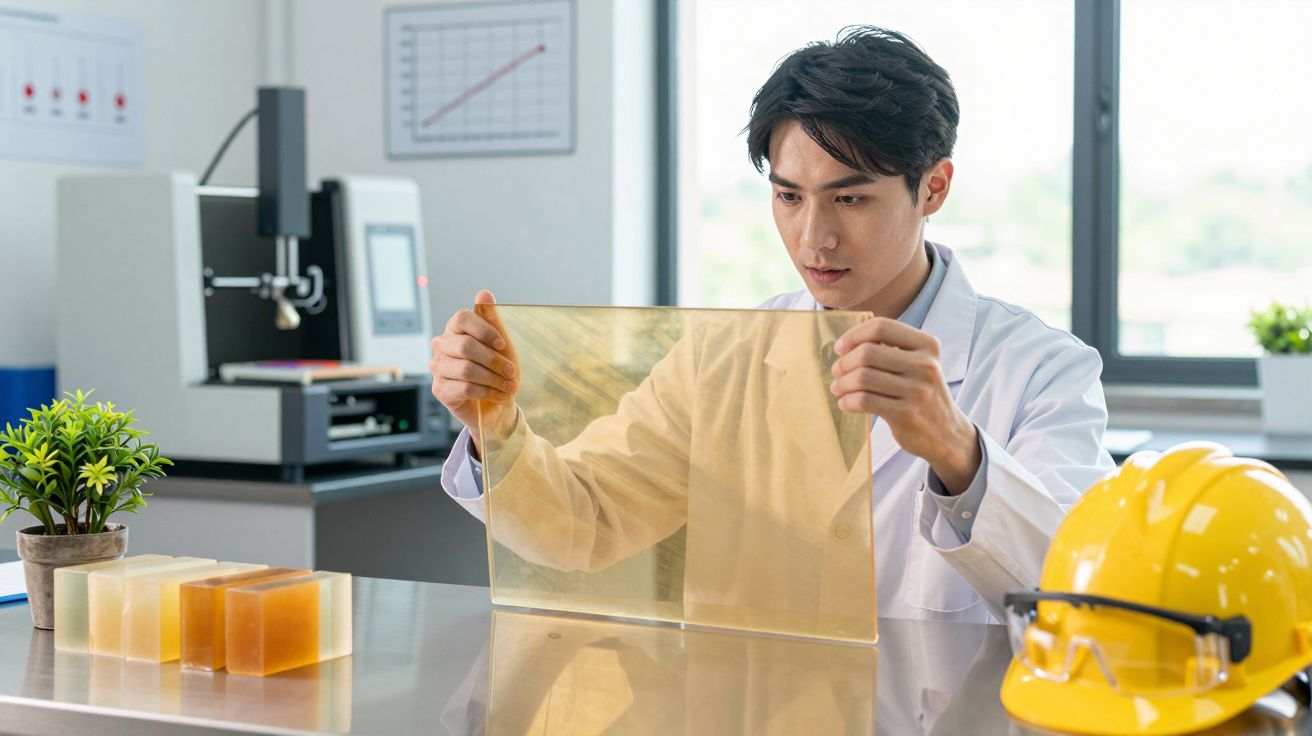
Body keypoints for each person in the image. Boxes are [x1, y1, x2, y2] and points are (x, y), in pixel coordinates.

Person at [430, 26, 1115, 622]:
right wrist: (495, 427)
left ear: (933, 187)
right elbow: (584, 520)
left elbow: (1083, 595)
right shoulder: (724, 357)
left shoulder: (1042, 371)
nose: (814, 238)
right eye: (789, 196)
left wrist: (957, 451)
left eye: (850, 198)